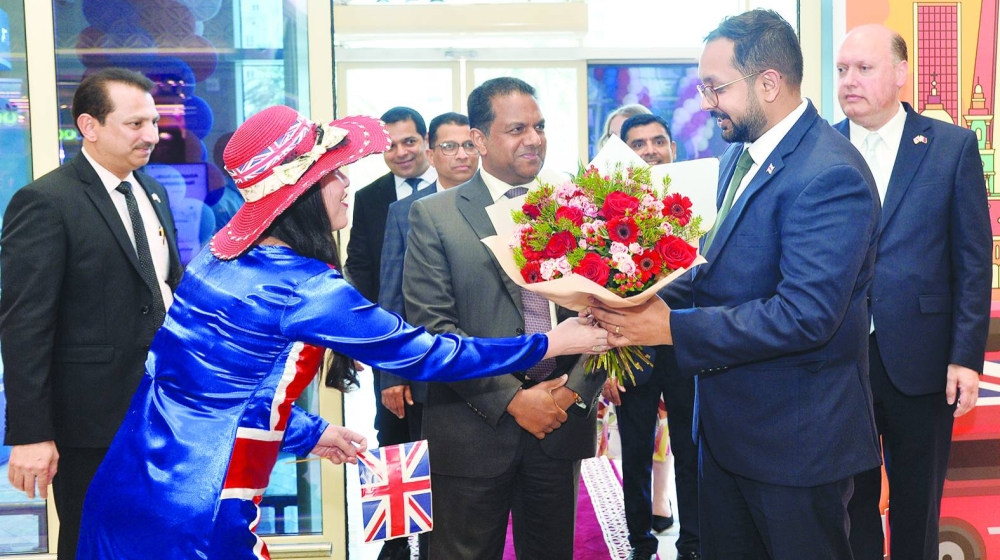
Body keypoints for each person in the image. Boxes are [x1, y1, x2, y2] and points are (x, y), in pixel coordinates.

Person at [74, 105, 607, 559]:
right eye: (333, 173)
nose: (349, 182)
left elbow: (207, 389)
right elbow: (423, 353)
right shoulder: (304, 287)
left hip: (131, 481)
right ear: (300, 194)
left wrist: (313, 432)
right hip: (202, 504)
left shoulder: (220, 257)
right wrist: (550, 343)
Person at [588, 10, 882, 559]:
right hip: (727, 435)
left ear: (768, 84)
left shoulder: (829, 173)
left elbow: (804, 315)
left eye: (715, 88)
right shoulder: (738, 159)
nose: (705, 103)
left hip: (796, 446)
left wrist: (670, 328)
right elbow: (712, 270)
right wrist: (625, 300)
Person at [403, 77, 606, 560]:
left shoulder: (578, 208)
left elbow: (608, 313)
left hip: (559, 422)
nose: (533, 139)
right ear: (479, 139)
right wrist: (513, 400)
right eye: (517, 129)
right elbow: (434, 331)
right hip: (472, 430)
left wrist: (573, 390)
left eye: (539, 126)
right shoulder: (434, 216)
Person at [0, 67, 183, 560]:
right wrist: (32, 433)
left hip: (161, 412)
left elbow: (164, 288)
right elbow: (24, 324)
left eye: (153, 122)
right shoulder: (46, 201)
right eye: (135, 124)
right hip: (90, 422)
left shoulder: (152, 191)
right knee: (93, 543)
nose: (151, 135)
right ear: (89, 126)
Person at [834, 24, 991, 560]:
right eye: (842, 70)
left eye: (864, 68)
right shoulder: (821, 148)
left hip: (922, 359)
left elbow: (973, 259)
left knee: (917, 503)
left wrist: (964, 358)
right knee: (847, 501)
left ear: (901, 74)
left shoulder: (950, 146)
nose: (849, 80)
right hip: (838, 356)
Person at [376, 111, 479, 560]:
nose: (461, 155)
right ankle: (399, 550)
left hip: (481, 363)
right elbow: (391, 295)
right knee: (407, 463)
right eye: (450, 147)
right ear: (432, 154)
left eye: (468, 145)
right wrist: (390, 374)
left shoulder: (502, 203)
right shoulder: (405, 211)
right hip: (419, 366)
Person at [608, 112, 700, 560]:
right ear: (625, 152)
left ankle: (694, 544)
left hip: (689, 346)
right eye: (638, 144)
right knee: (637, 454)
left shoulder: (698, 201)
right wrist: (603, 361)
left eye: (657, 141)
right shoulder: (604, 210)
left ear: (673, 148)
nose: (649, 150)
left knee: (691, 450)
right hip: (632, 353)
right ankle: (640, 545)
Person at [345, 106, 436, 456]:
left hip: (444, 339)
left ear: (426, 141)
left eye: (409, 141)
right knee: (396, 441)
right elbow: (363, 271)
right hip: (393, 342)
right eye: (390, 145)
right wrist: (367, 339)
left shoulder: (454, 186)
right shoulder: (369, 198)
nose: (401, 152)